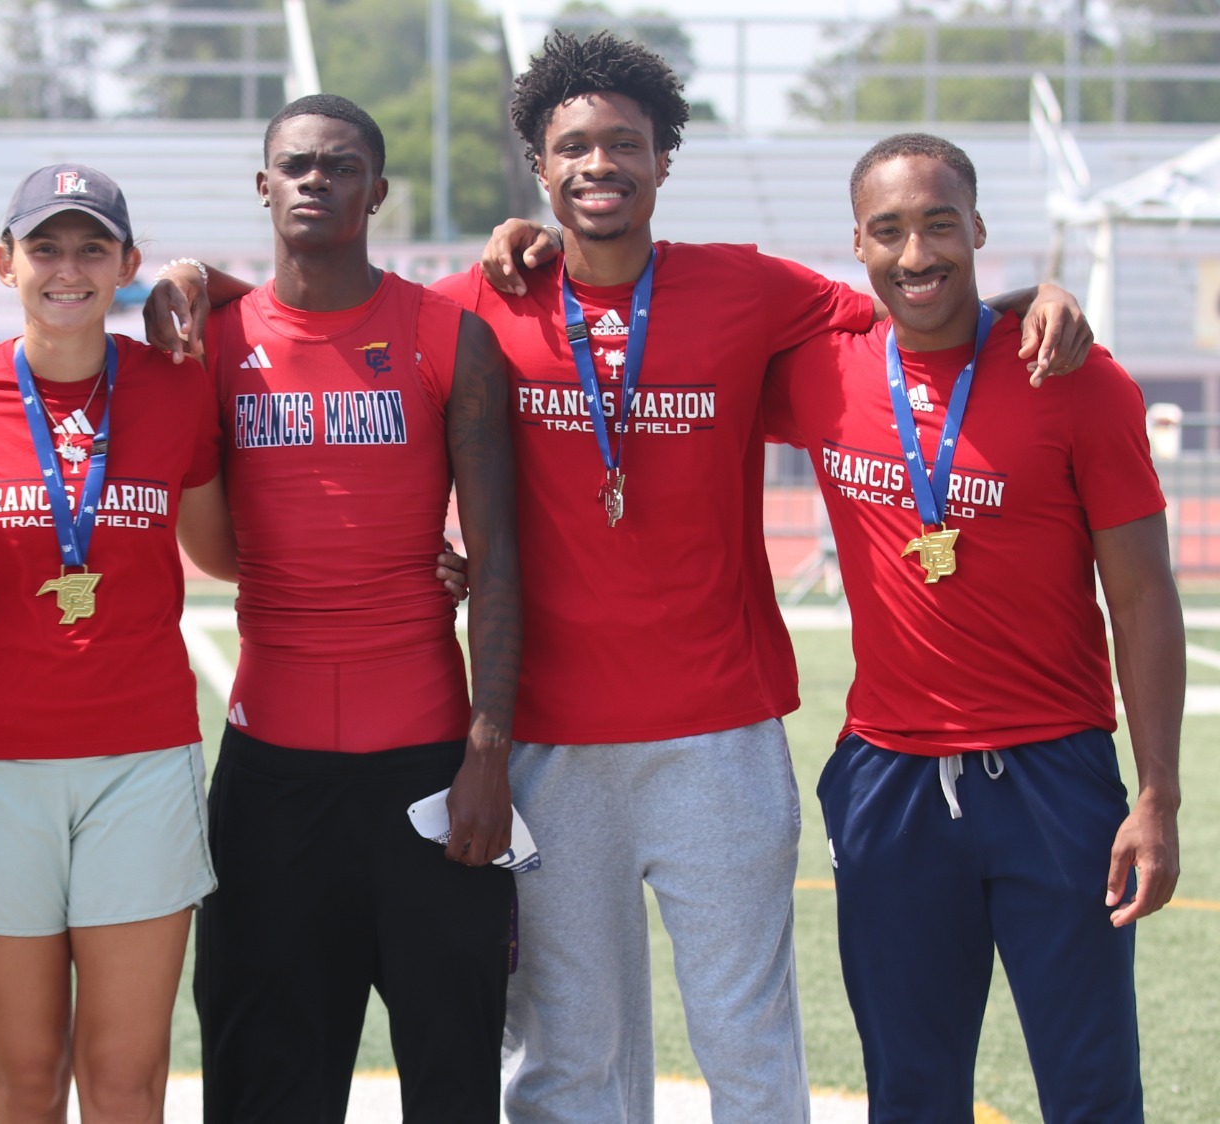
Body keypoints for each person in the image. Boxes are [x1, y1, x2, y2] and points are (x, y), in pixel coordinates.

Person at [151, 37, 1091, 1124]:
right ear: (538, 171)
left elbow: (912, 300)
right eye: (573, 147)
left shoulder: (746, 285)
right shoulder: (479, 303)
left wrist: (1030, 294)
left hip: (718, 737)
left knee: (745, 1045)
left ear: (660, 161)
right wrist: (196, 276)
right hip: (547, 745)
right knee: (565, 1063)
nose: (599, 163)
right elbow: (324, 295)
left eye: (623, 144)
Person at [762, 132, 1181, 1123]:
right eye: (889, 230)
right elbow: (661, 378)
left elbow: (1142, 597)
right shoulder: (820, 372)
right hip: (887, 780)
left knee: (1088, 1089)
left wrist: (1157, 792)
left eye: (939, 224)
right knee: (907, 1091)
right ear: (855, 247)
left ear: (979, 229)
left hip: (1053, 778)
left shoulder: (1074, 378)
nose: (916, 254)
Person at [120, 94, 521, 1123]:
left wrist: (487, 747)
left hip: (430, 772)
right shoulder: (210, 338)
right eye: (293, 164)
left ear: (375, 190)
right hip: (269, 779)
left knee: (453, 1078)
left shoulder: (448, 335)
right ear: (261, 187)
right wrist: (185, 277)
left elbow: (498, 553)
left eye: (339, 166)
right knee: (264, 1087)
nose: (314, 180)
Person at [0, 163, 236, 1124]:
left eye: (93, 247)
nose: (68, 268)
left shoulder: (177, 389)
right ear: (6, 262)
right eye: (45, 246)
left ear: (128, 263)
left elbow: (229, 553)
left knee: (127, 1080)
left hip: (141, 760)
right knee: (23, 1076)